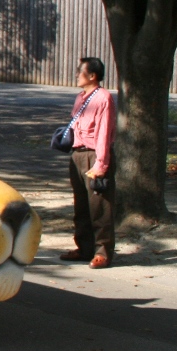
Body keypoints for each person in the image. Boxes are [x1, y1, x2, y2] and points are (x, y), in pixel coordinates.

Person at [61, 57, 117, 269]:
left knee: (100, 206)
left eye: (80, 71)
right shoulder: (80, 97)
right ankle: (84, 248)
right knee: (81, 205)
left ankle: (103, 252)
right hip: (78, 154)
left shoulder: (103, 98)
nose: (77, 75)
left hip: (95, 155)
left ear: (92, 76)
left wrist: (101, 164)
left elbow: (104, 132)